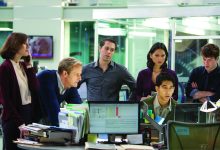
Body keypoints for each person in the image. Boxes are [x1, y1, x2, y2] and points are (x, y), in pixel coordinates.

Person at [0, 32, 41, 150]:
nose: (28, 47)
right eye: (25, 44)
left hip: (27, 116)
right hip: (14, 119)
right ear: (16, 45)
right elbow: (5, 100)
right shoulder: (5, 68)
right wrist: (19, 123)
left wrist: (29, 65)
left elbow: (35, 88)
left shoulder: (23, 65)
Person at [37, 57, 82, 126]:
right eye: (77, 75)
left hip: (45, 121)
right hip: (30, 122)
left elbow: (79, 109)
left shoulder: (70, 84)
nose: (80, 78)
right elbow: (55, 115)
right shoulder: (46, 78)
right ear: (65, 74)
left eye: (80, 74)